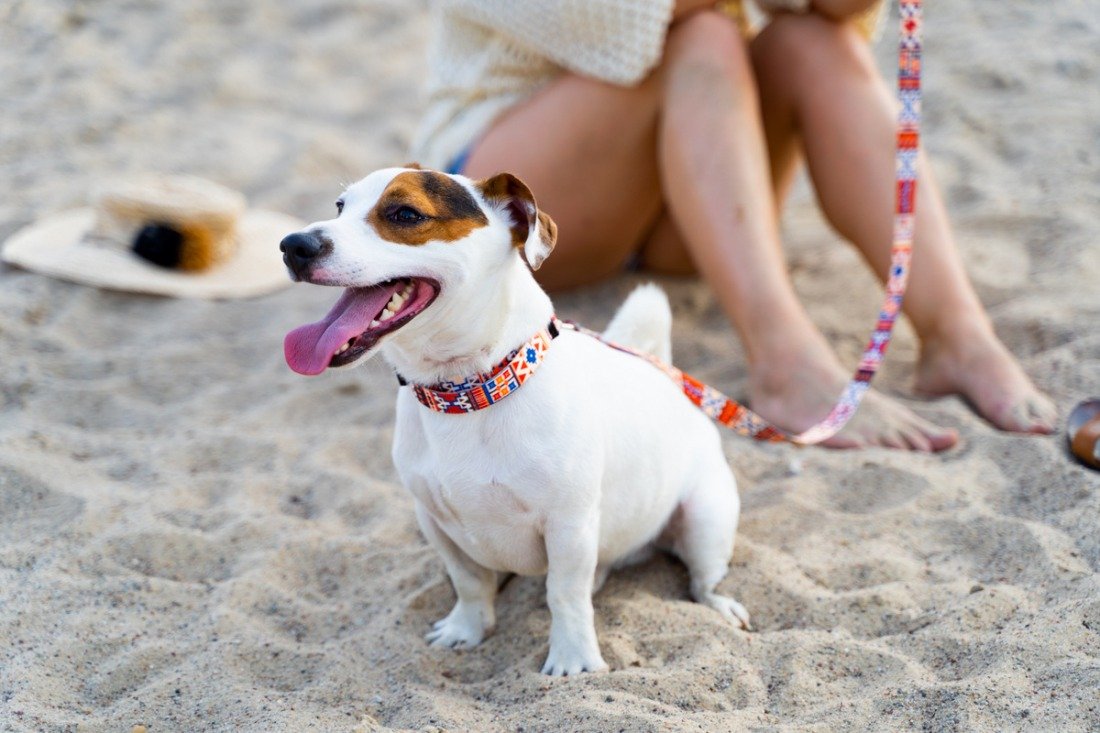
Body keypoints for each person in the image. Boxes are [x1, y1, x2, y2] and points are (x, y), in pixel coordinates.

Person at [409, 0, 1057, 450]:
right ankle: (785, 358)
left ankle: (956, 334)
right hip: (507, 195)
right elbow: (619, 17)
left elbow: (833, 14)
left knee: (815, 42)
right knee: (706, 33)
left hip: (688, 187)